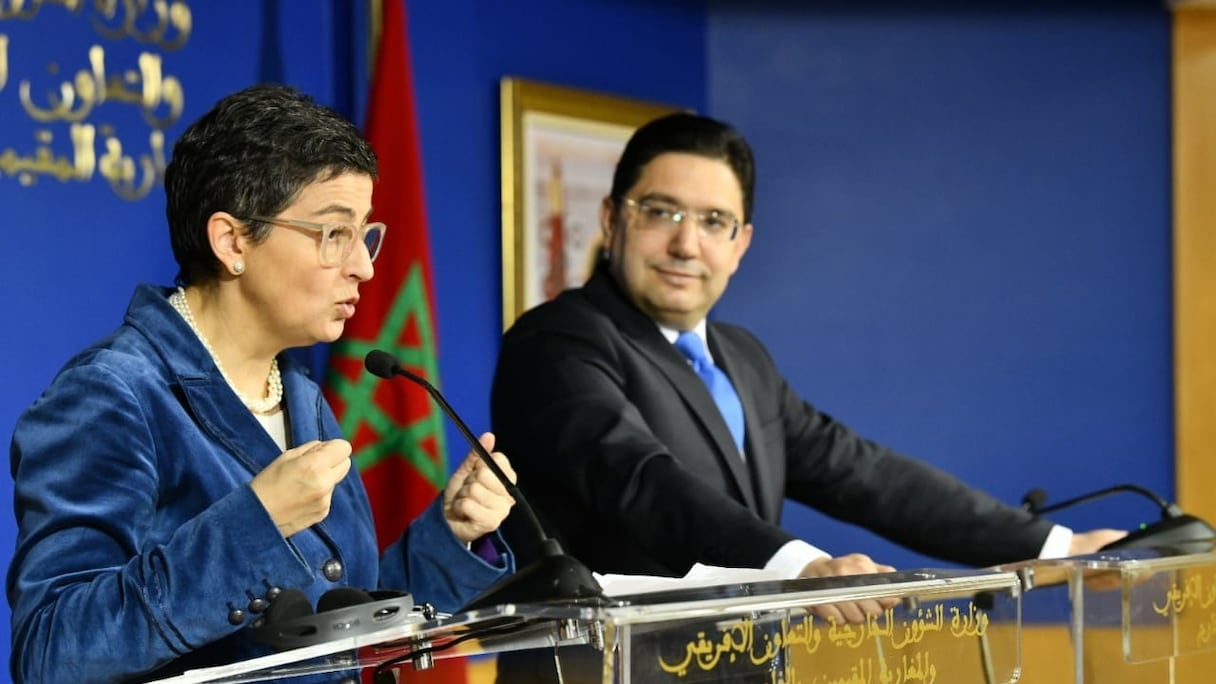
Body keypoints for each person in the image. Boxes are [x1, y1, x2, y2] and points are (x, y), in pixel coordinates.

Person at [7, 84, 517, 683]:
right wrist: (256, 525)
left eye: (365, 234)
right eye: (334, 234)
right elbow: (53, 651)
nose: (365, 266)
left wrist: (451, 537)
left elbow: (334, 635)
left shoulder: (302, 397)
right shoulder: (112, 393)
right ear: (233, 241)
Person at [491, 112, 1126, 594]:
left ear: (741, 245)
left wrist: (1057, 546)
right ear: (610, 221)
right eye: (662, 212)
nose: (687, 244)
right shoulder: (557, 343)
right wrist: (800, 566)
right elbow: (640, 481)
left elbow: (864, 475)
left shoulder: (741, 357)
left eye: (714, 221)